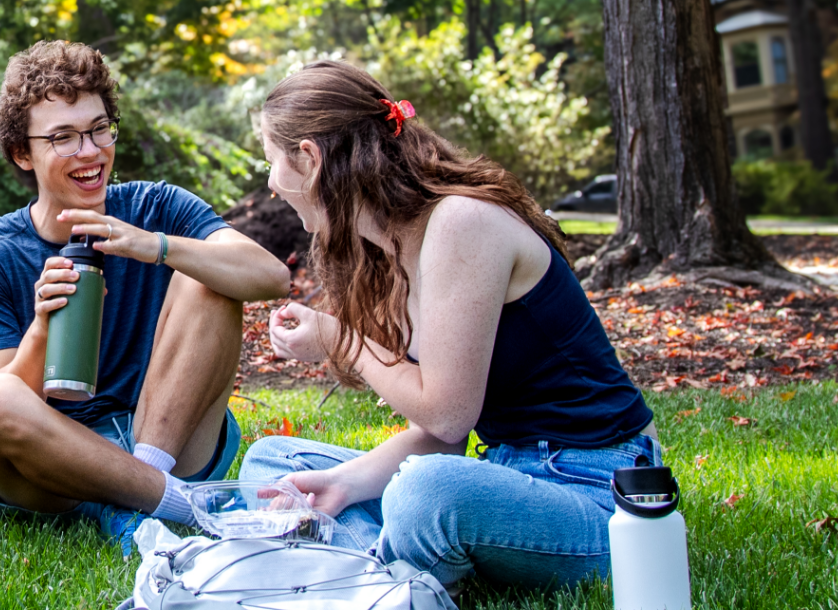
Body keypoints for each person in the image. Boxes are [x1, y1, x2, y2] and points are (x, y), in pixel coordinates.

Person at [240, 59, 659, 590]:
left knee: (424, 494)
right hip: (502, 478)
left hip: (600, 495)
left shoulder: (461, 223)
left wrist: (339, 338)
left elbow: (447, 416)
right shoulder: (388, 249)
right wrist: (340, 485)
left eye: (270, 164)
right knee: (274, 463)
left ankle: (364, 571)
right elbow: (443, 439)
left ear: (310, 159)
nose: (272, 186)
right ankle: (385, 560)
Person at [0, 40, 291, 546]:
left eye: (97, 129)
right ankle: (176, 503)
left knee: (209, 273)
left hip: (169, 437)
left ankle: (141, 491)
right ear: (23, 152)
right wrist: (43, 328)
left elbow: (270, 277)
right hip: (56, 468)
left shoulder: (159, 207)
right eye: (62, 137)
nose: (89, 152)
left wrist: (152, 245)